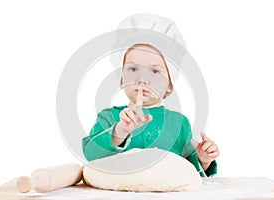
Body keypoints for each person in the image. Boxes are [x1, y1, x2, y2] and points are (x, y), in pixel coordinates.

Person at [82, 42, 220, 177]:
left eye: (155, 71)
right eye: (133, 69)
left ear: (169, 85)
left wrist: (204, 159)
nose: (142, 79)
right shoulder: (108, 117)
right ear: (122, 80)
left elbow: (191, 175)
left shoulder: (179, 123)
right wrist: (120, 130)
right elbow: (91, 156)